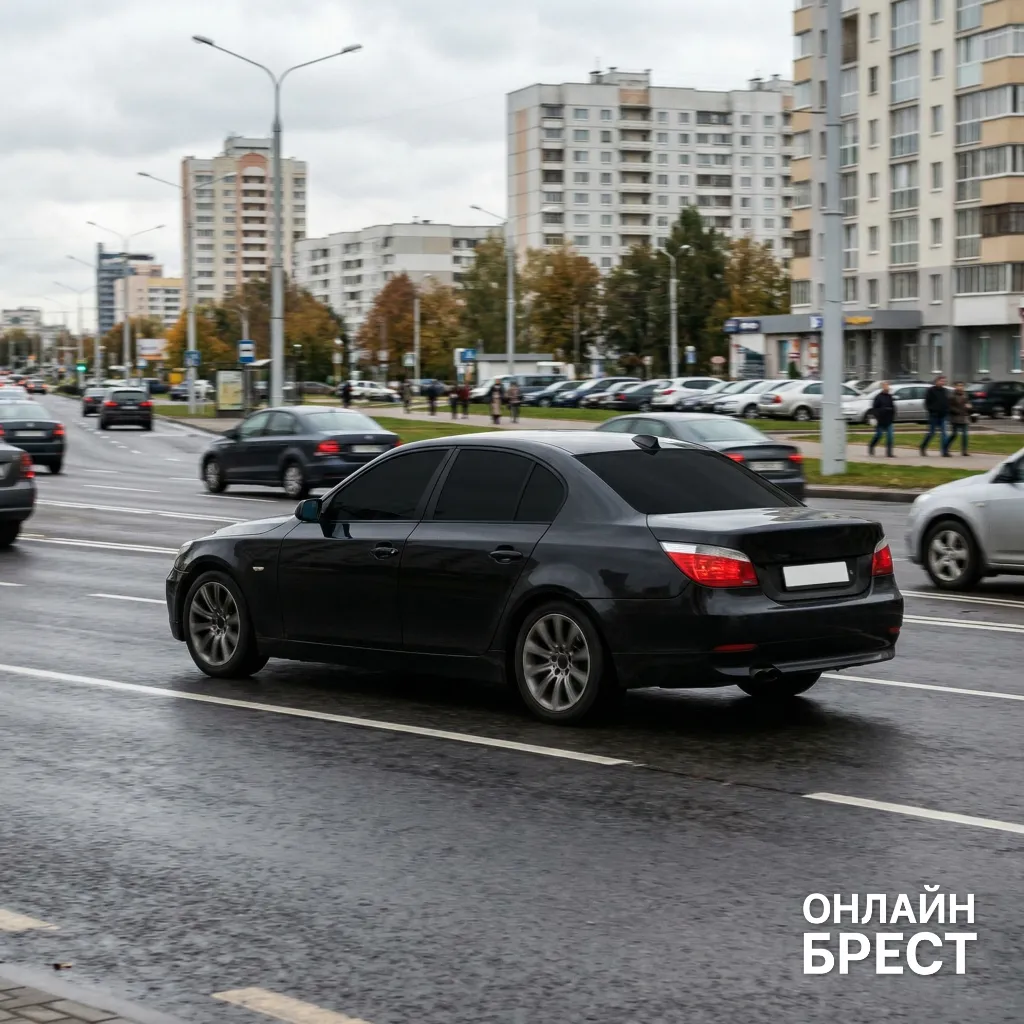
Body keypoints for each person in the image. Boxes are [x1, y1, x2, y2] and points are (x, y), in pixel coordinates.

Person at [919, 374, 950, 456]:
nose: (943, 383)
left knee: (944, 434)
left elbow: (946, 402)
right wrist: (932, 410)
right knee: (931, 433)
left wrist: (947, 410)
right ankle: (923, 447)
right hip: (934, 415)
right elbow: (926, 403)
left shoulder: (945, 391)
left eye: (944, 381)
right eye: (941, 381)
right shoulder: (931, 390)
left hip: (943, 415)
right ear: (937, 381)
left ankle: (944, 451)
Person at [943, 382, 972, 457]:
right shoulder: (952, 396)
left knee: (965, 435)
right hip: (955, 417)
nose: (960, 387)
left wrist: (969, 406)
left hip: (964, 417)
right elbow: (949, 406)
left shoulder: (965, 395)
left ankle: (964, 451)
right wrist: (956, 411)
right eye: (959, 386)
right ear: (955, 387)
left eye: (962, 386)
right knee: (954, 434)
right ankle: (945, 448)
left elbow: (967, 403)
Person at [868, 381, 895, 457]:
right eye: (885, 386)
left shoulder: (890, 397)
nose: (887, 388)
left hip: (888, 420)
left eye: (888, 386)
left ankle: (889, 453)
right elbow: (874, 409)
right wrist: (879, 414)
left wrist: (892, 415)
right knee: (879, 435)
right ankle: (871, 446)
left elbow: (893, 407)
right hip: (880, 420)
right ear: (882, 387)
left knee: (890, 436)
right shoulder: (878, 397)